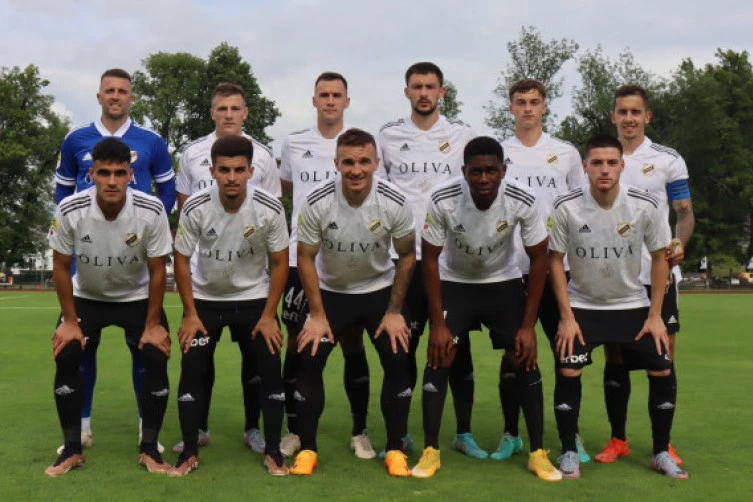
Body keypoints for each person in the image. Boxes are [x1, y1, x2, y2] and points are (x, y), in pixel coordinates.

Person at [411, 136, 561, 481]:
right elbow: (429, 259)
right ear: (464, 171)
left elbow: (539, 259)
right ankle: (431, 451)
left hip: (502, 282)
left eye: (491, 170)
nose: (483, 178)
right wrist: (438, 323)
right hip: (455, 281)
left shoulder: (523, 198)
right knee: (440, 356)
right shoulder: (443, 198)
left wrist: (528, 326)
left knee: (524, 356)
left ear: (503, 170)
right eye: (475, 171)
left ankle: (537, 453)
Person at [549, 134, 687, 479]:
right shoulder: (566, 206)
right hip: (583, 306)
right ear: (585, 167)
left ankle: (660, 451)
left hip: (632, 304)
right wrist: (566, 317)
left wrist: (655, 315)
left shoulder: (644, 204)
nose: (605, 170)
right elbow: (554, 261)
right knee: (568, 370)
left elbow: (660, 258)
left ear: (622, 166)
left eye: (612, 163)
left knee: (662, 367)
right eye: (597, 163)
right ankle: (569, 451)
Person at [53, 68, 175, 453]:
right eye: (110, 90)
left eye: (123, 91)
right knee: (78, 351)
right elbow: (62, 194)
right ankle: (81, 427)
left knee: (147, 352)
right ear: (99, 96)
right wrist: (81, 235)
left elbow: (167, 193)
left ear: (131, 97)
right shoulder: (75, 139)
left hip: (135, 262)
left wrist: (142, 231)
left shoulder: (151, 141)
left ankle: (146, 430)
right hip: (89, 261)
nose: (116, 96)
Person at [289, 128, 415, 477]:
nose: (356, 170)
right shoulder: (317, 200)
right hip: (332, 293)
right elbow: (305, 256)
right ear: (336, 164)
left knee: (398, 357)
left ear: (376, 163)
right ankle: (308, 449)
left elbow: (407, 256)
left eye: (363, 162)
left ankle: (395, 449)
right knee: (308, 358)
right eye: (348, 162)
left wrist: (394, 312)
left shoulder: (395, 201)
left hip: (378, 290)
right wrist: (316, 314)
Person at [378, 62, 482, 458]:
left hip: (450, 261)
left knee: (457, 348)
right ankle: (401, 434)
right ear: (406, 91)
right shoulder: (388, 135)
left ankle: (464, 433)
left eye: (430, 86)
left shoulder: (462, 134)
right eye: (417, 86)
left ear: (442, 92)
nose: (424, 93)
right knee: (402, 348)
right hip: (403, 259)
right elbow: (380, 194)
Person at [172, 82, 281, 455]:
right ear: (213, 112)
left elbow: (270, 219)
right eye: (222, 108)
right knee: (199, 363)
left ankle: (254, 429)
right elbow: (186, 213)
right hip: (206, 281)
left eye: (236, 108)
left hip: (251, 283)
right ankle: (198, 430)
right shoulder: (192, 154)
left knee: (256, 362)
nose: (229, 114)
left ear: (245, 113)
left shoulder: (264, 156)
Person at [278, 72, 376, 460]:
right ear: (314, 100)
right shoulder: (294, 143)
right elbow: (284, 192)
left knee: (352, 340)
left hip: (346, 263)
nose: (330, 101)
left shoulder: (360, 145)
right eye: (324, 95)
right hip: (299, 258)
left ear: (347, 101)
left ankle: (359, 431)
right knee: (297, 342)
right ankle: (294, 430)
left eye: (337, 95)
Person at [595, 85, 694, 465]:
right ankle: (617, 439)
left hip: (657, 276)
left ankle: (662, 444)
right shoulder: (601, 158)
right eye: (622, 112)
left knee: (662, 359)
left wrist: (679, 242)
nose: (629, 118)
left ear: (647, 117)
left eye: (635, 112)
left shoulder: (668, 160)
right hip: (612, 276)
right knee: (615, 357)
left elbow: (684, 213)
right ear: (613, 117)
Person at [497, 78, 589, 462]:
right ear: (511, 108)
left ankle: (572, 434)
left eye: (534, 102)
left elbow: (580, 207)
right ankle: (511, 433)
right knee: (513, 353)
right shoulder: (500, 152)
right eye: (521, 102)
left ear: (544, 106)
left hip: (556, 268)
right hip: (510, 269)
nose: (528, 108)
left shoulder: (565, 153)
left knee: (564, 352)